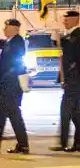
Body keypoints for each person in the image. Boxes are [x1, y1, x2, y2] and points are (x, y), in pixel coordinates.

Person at [55, 10, 80, 154]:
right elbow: (64, 49)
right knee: (76, 114)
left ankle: (64, 143)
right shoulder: (71, 35)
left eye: (67, 19)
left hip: (74, 80)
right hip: (70, 80)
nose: (64, 22)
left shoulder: (78, 36)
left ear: (75, 20)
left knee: (65, 112)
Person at [0, 17, 30, 155]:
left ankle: (24, 145)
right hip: (8, 86)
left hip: (10, 86)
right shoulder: (10, 42)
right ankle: (23, 145)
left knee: (11, 115)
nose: (4, 29)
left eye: (7, 27)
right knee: (11, 115)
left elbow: (13, 65)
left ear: (15, 29)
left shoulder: (17, 42)